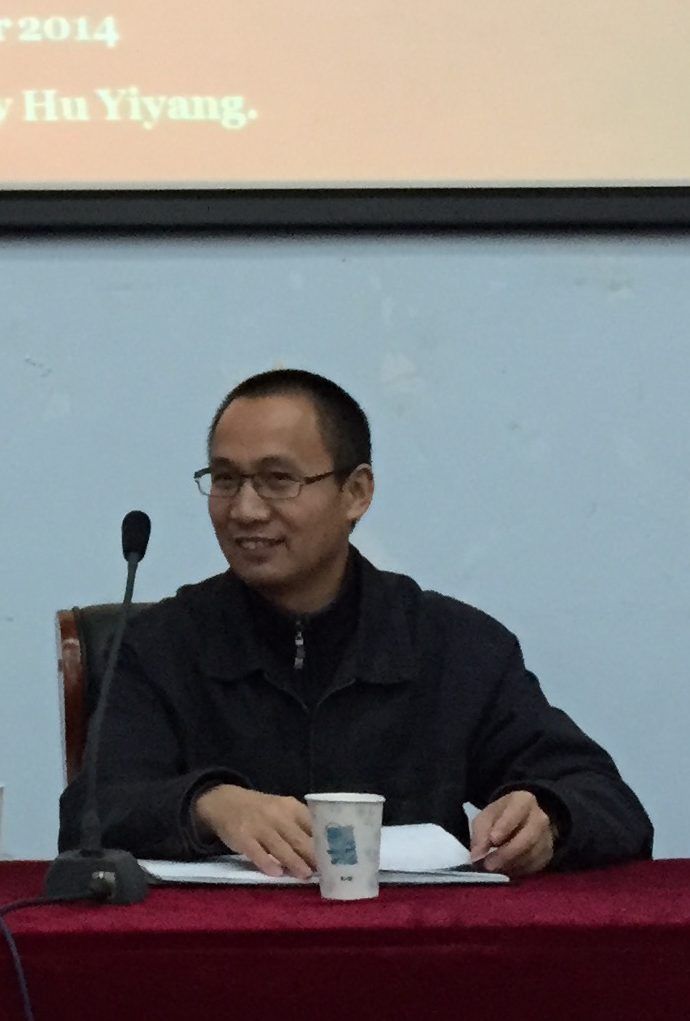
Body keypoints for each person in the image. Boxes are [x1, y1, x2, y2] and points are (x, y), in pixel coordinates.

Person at [68, 368, 650, 878]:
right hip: (220, 953)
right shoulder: (160, 646)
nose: (244, 509)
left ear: (356, 492)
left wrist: (549, 816)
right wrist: (210, 804)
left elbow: (608, 801)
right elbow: (88, 817)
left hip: (414, 948)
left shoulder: (455, 646)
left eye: (277, 480)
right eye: (225, 480)